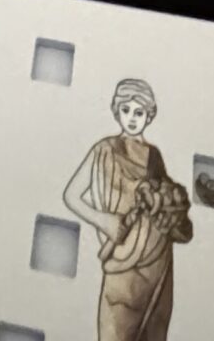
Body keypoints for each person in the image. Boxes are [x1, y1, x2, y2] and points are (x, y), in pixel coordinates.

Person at [62, 78, 193, 341]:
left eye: (139, 112)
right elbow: (71, 196)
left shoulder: (153, 155)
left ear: (149, 116)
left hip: (156, 258)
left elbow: (165, 201)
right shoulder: (104, 149)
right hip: (120, 258)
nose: (132, 118)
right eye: (126, 110)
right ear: (116, 110)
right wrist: (105, 221)